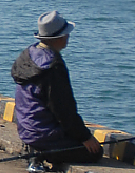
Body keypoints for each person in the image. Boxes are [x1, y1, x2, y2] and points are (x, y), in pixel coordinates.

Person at [11, 11, 103, 166]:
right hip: (43, 133)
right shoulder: (53, 67)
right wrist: (85, 137)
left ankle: (36, 149)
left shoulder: (28, 54)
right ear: (61, 38)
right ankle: (43, 153)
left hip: (26, 129)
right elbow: (63, 110)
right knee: (94, 152)